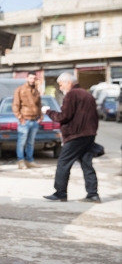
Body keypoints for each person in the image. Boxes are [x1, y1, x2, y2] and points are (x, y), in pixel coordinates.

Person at [42, 72, 100, 203]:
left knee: (63, 163)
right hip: (88, 134)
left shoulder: (71, 95)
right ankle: (93, 194)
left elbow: (64, 116)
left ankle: (60, 193)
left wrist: (48, 112)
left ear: (69, 83)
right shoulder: (87, 94)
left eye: (61, 85)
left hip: (75, 135)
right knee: (86, 164)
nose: (60, 88)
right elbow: (95, 117)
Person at [12, 72, 43, 170]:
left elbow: (39, 105)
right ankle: (21, 161)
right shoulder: (20, 90)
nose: (32, 80)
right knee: (21, 142)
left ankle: (29, 160)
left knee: (30, 142)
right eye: (31, 78)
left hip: (34, 120)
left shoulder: (36, 91)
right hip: (25, 120)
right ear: (27, 78)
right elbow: (15, 105)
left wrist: (41, 116)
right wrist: (20, 118)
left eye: (34, 78)